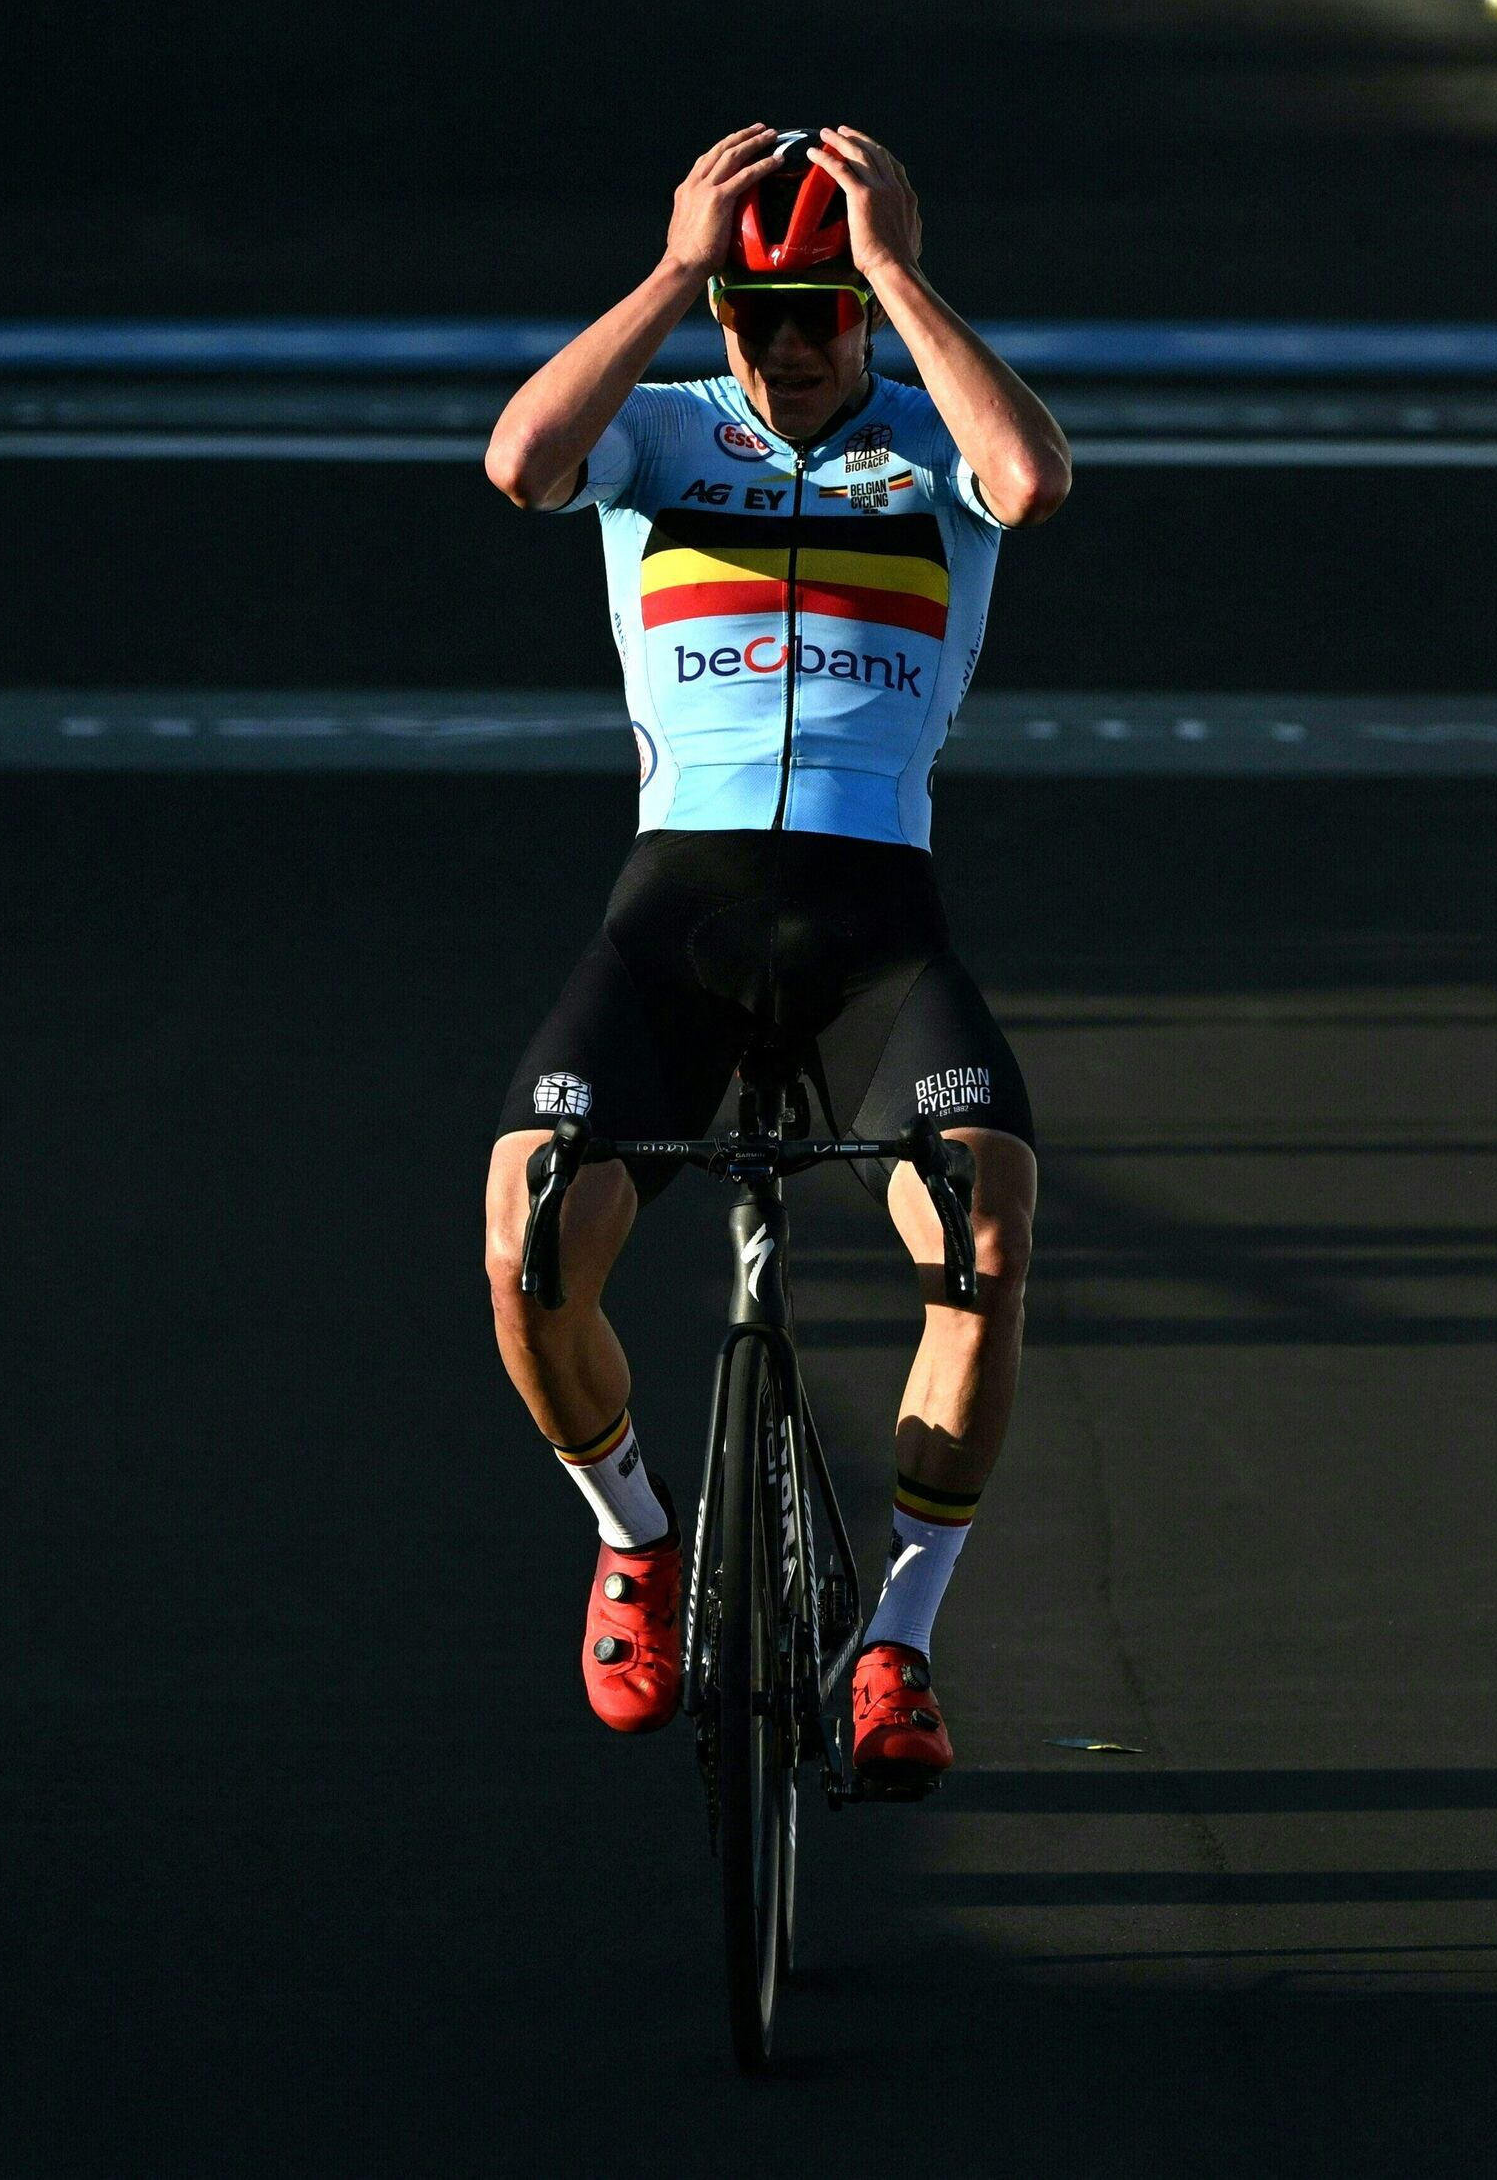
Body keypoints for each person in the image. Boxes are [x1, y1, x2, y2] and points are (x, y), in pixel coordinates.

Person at [476, 124, 1073, 1800]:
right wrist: (672, 266)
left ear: (865, 311)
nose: (794, 345)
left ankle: (898, 1638)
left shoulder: (928, 443)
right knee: (529, 1242)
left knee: (988, 1232)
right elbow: (522, 463)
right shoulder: (659, 433)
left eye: (823, 311)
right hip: (676, 925)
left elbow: (1031, 481)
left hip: (873, 933)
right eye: (759, 313)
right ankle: (640, 1540)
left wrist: (896, 266)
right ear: (721, 315)